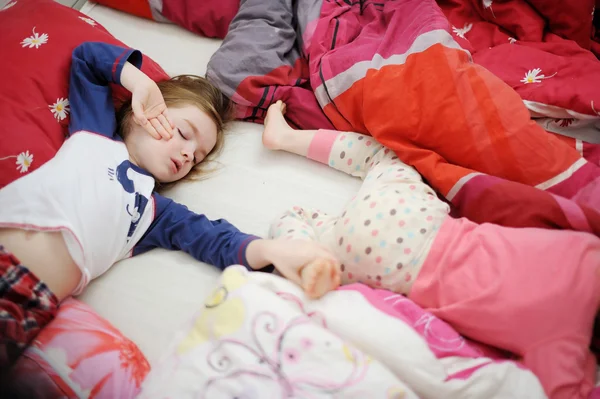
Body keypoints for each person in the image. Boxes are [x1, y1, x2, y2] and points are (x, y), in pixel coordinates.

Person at [0, 43, 340, 369]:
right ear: (143, 113)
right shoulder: (94, 136)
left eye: (198, 156)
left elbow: (214, 239)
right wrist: (139, 83)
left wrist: (273, 251)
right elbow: (87, 60)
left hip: (29, 306)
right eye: (182, 132)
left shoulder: (153, 213)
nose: (188, 154)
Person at [263, 100, 600, 399]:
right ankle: (309, 259)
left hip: (416, 218)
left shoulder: (589, 254)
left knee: (382, 156)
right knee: (294, 218)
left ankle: (286, 138)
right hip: (387, 268)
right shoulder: (562, 346)